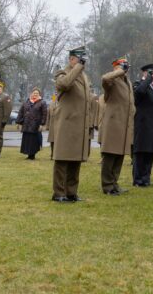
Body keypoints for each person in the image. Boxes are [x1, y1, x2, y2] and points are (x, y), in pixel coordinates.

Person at [51, 46, 92, 203]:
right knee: (62, 159)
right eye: (79, 59)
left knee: (76, 159)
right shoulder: (62, 73)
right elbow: (64, 85)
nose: (82, 63)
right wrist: (78, 67)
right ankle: (58, 193)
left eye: (84, 60)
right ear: (71, 59)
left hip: (80, 124)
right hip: (67, 123)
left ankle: (71, 192)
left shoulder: (83, 76)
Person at [100, 56, 135, 195]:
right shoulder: (112, 80)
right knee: (110, 155)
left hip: (124, 123)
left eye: (126, 67)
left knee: (120, 155)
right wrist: (119, 71)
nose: (126, 70)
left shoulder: (128, 82)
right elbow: (104, 79)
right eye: (123, 67)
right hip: (113, 123)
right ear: (116, 67)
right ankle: (107, 185)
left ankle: (114, 183)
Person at [132, 64, 153, 187]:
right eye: (150, 73)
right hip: (143, 125)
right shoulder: (139, 84)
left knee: (150, 152)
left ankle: (146, 178)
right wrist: (148, 79)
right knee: (141, 153)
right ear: (144, 73)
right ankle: (138, 179)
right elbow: (139, 93)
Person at [16, 87, 48, 160]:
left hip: (35, 125)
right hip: (26, 124)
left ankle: (32, 155)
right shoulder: (26, 102)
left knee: (33, 141)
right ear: (31, 93)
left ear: (39, 94)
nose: (35, 94)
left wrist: (42, 124)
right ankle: (28, 155)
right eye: (34, 93)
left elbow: (44, 114)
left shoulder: (42, 102)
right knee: (27, 140)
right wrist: (18, 122)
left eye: (37, 93)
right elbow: (21, 112)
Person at [45, 93, 58, 160]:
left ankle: (57, 155)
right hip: (52, 125)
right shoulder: (51, 103)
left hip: (60, 125)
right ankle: (52, 154)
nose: (56, 95)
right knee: (52, 141)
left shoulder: (63, 102)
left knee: (59, 141)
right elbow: (48, 116)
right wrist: (47, 125)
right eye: (55, 95)